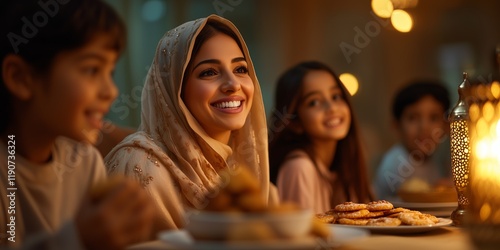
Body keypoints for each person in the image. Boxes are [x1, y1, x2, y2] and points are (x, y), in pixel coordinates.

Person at [0, 0, 155, 249]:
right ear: (21, 78)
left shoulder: (85, 162)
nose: (112, 91)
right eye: (92, 69)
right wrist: (79, 240)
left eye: (111, 72)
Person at [104, 14, 278, 230]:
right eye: (209, 72)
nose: (233, 84)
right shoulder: (140, 167)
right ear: (174, 91)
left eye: (240, 69)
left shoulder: (243, 173)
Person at [268, 61, 373, 214]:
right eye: (314, 102)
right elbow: (304, 236)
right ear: (295, 122)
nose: (332, 108)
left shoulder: (345, 165)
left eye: (336, 96)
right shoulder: (299, 167)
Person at [373, 81, 452, 200]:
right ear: (396, 126)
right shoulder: (395, 162)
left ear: (446, 126)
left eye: (434, 118)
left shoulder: (437, 160)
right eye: (413, 118)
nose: (424, 127)